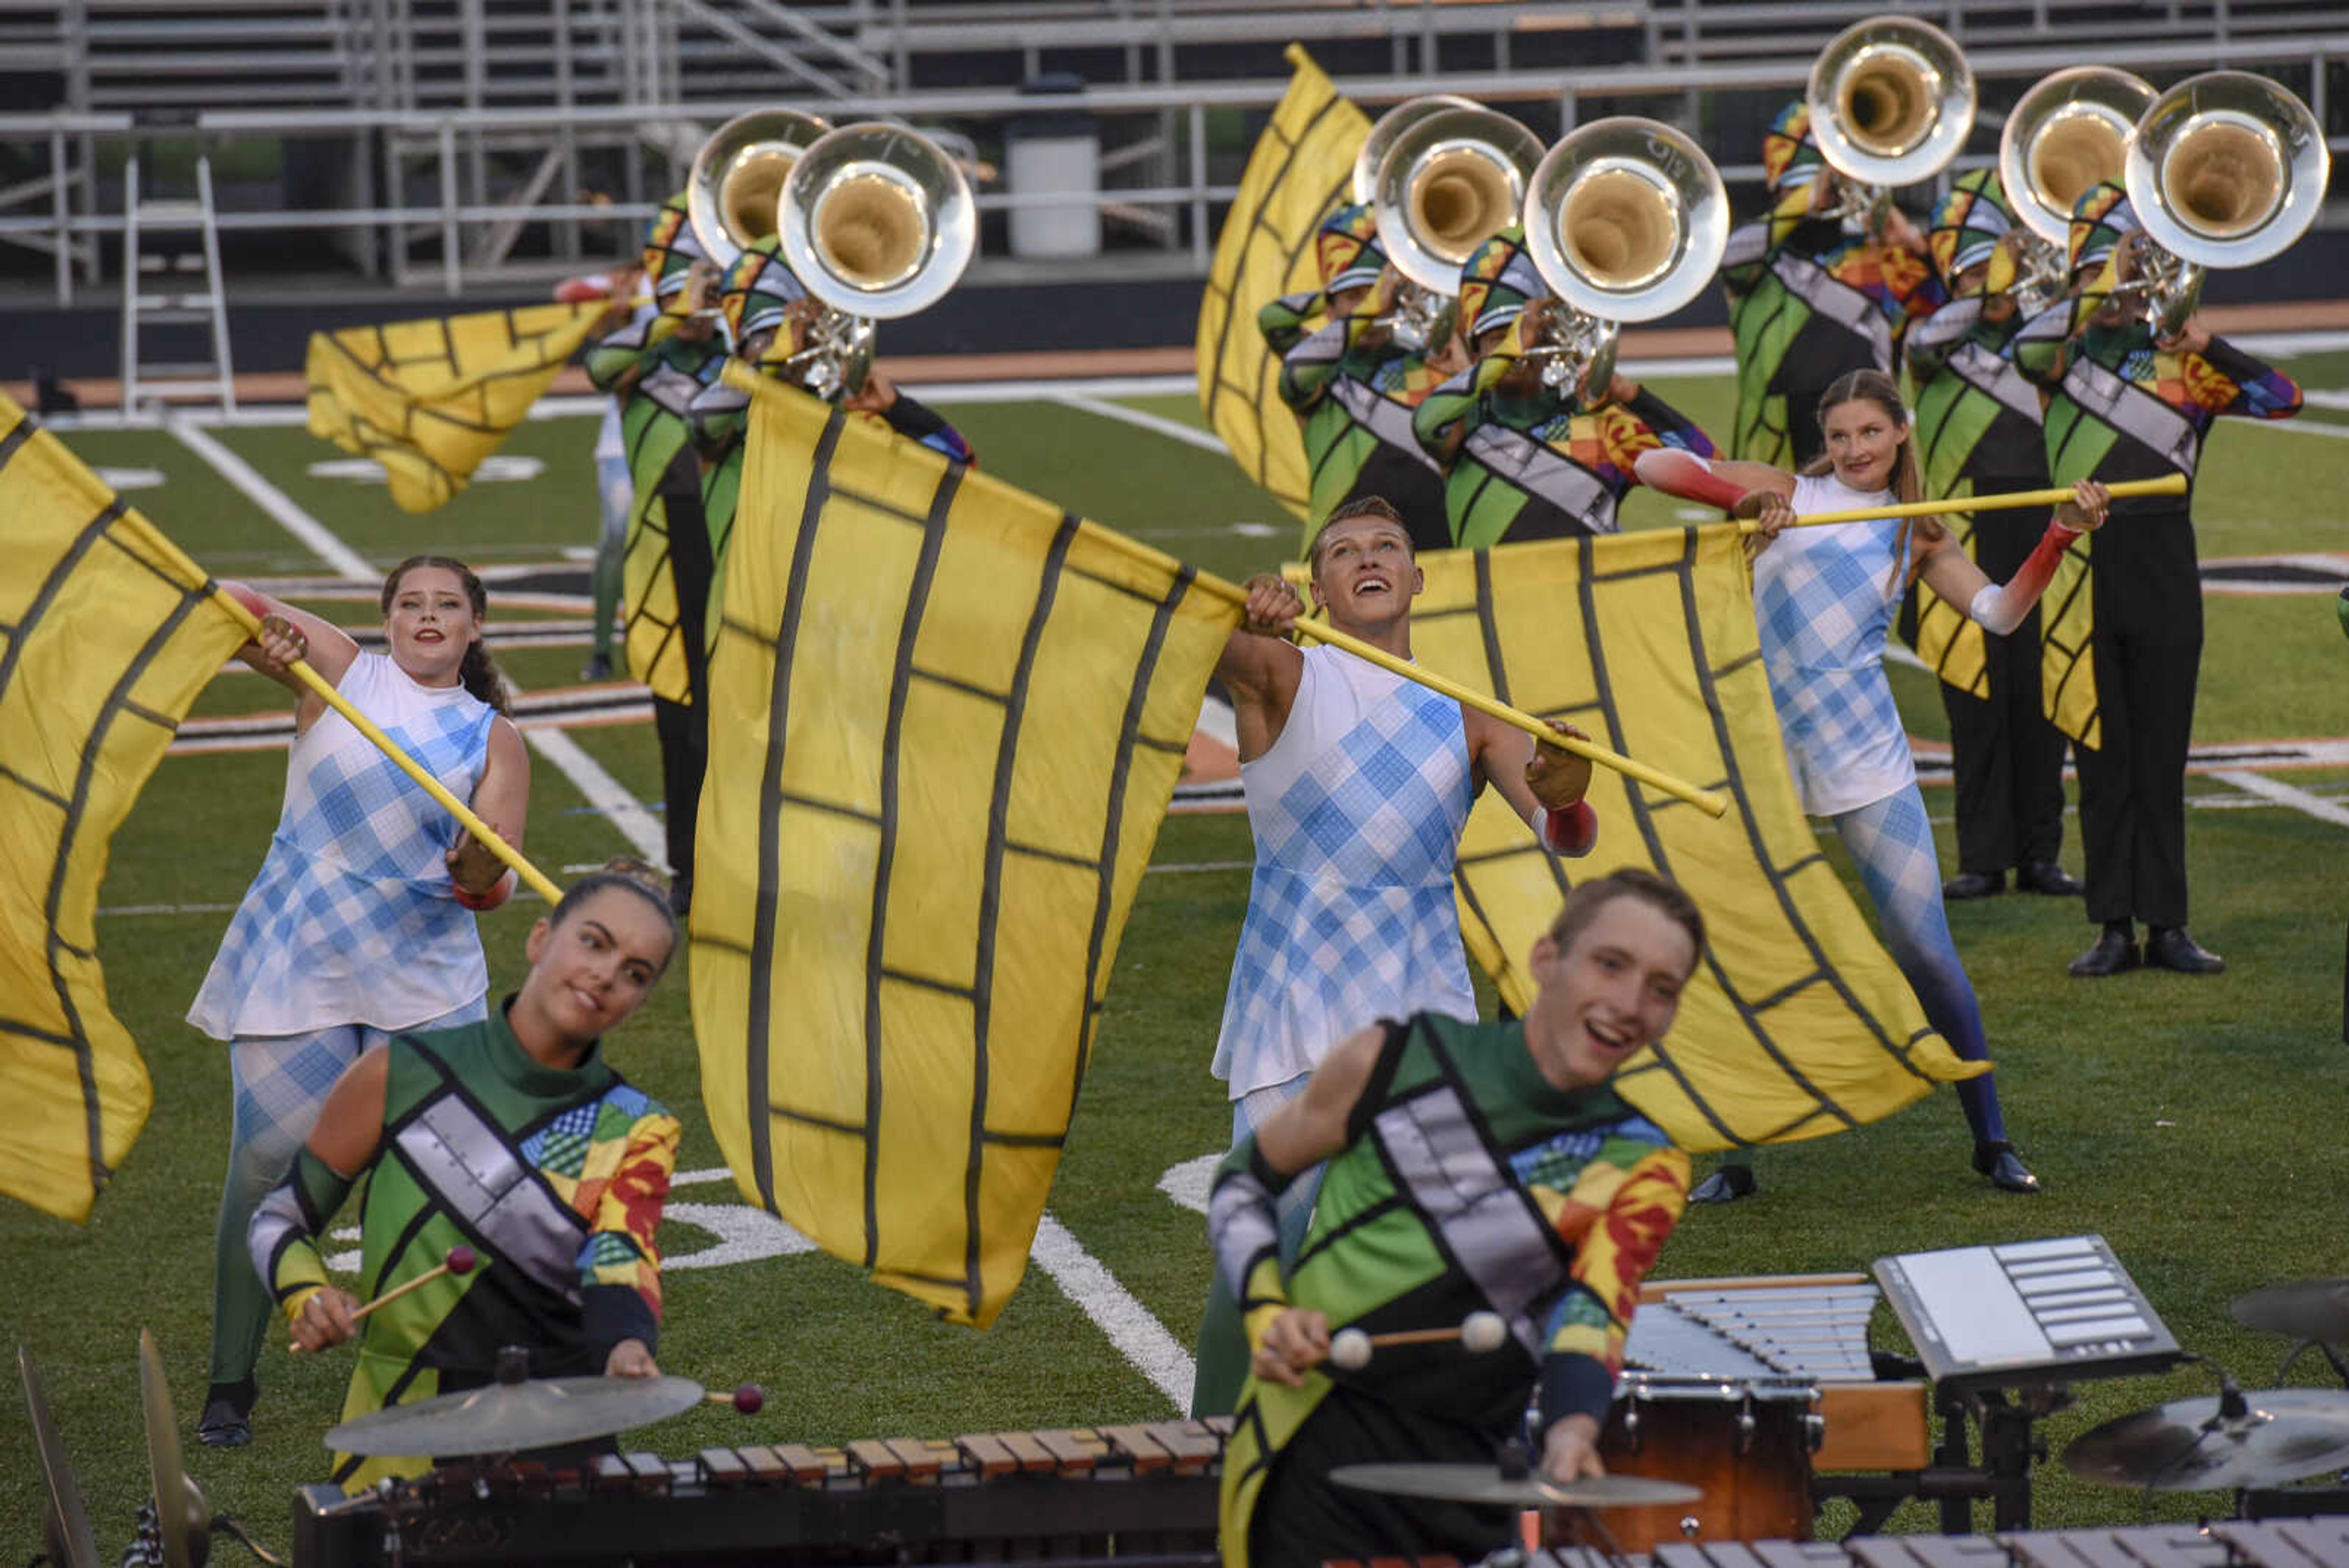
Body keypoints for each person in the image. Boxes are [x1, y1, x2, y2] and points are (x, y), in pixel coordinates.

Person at [1636, 370, 2112, 1198]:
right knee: (1743, 948)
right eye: (1841, 434)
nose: (1854, 449)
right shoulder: (1786, 493)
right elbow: (1652, 464)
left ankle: (1992, 1138)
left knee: (1927, 951)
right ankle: (1736, 1155)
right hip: (1760, 756)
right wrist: (1736, 501)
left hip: (1863, 756)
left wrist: (2060, 533)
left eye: (1869, 433)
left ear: (1900, 433)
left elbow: (1999, 614)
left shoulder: (1914, 531)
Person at [1190, 494, 1600, 1416]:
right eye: (1342, 551)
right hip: (1290, 1013)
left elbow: (1564, 833)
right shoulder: (1285, 676)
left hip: (1421, 1019)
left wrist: (1569, 790)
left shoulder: (1472, 715)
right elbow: (1191, 632)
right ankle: (1207, 1452)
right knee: (1256, 1263)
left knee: (1428, 1278)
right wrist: (1238, 606)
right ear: (1319, 585)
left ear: (1417, 577)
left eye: (1386, 547)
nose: (1367, 559)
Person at [1214, 870, 1701, 1568]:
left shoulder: (1642, 1165)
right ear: (1545, 960)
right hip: (1309, 1449)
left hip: (1476, 1477)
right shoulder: (1393, 1061)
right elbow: (1244, 1181)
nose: (1629, 1002)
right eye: (1610, 963)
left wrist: (1570, 1429)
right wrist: (1266, 1312)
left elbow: (1591, 1319)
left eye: (1662, 989)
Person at [188, 556, 532, 1447]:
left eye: (447, 604)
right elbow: (232, 603)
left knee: (441, 1184)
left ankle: (434, 1367)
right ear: (386, 619)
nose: (428, 615)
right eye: (411, 602)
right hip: (297, 956)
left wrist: (477, 866)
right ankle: (231, 1379)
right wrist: (270, 637)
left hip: (425, 978)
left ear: (474, 626)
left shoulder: (495, 739)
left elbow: (488, 889)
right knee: (265, 1167)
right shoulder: (339, 669)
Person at [250, 861, 683, 1493]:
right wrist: (306, 1293)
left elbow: (620, 1250)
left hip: (561, 1429)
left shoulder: (637, 1126)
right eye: (594, 942)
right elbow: (280, 1219)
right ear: (540, 938)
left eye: (635, 973)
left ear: (639, 1001)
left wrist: (625, 1342)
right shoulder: (398, 1072)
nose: (606, 974)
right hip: (400, 1422)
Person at [2014, 181, 2302, 978]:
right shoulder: (2064, 359)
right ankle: (2112, 923)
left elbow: (2284, 398)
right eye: (2110, 252)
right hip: (2083, 568)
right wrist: (2093, 286)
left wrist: (2201, 340)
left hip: (2166, 562)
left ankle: (2168, 924)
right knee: (2101, 755)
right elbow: (2027, 351)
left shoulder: (2174, 360)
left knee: (2161, 755)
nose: (2126, 267)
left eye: (2135, 251)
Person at [1906, 173, 2082, 902]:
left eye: (1997, 263)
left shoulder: (2046, 339)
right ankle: (1982, 856)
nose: (1993, 279)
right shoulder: (1935, 337)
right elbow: (1919, 344)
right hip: (1966, 534)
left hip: (2041, 527)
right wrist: (1991, 286)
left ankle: (2041, 853)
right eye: (1976, 266)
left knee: (2043, 698)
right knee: (1974, 702)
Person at [688, 235, 973, 673]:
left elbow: (962, 468)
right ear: (742, 350)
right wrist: (773, 357)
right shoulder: (733, 421)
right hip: (745, 652)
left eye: (786, 337)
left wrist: (899, 410)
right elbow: (703, 426)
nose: (782, 348)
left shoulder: (846, 415)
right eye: (763, 341)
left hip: (838, 652)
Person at [584, 191, 730, 915]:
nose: (704, 299)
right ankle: (689, 871)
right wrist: (672, 318)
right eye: (689, 283)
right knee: (680, 727)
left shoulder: (742, 363)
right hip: (670, 564)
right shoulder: (644, 357)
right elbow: (599, 366)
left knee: (747, 722)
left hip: (741, 562)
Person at [1413, 225, 1716, 545]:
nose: (1518, 349)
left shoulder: (1599, 425)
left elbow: (1709, 467)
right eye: (1499, 339)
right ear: (1478, 355)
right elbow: (1425, 425)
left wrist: (1632, 396)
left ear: (1550, 344)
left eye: (1529, 337)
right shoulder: (1465, 426)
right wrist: (1511, 349)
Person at [1722, 102, 1942, 469]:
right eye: (1801, 190)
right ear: (1780, 194)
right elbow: (1731, 259)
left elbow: (1951, 302)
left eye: (1830, 186)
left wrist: (1913, 241)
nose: (1822, 197)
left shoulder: (1881, 258)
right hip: (1773, 466)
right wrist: (1806, 198)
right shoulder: (1758, 264)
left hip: (1868, 460)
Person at [1260, 203, 1464, 554]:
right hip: (1342, 555)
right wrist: (1368, 302)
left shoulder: (1430, 365)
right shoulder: (1322, 374)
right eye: (1352, 298)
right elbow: (1272, 320)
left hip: (1434, 554)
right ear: (1330, 309)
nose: (1369, 306)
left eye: (1376, 294)